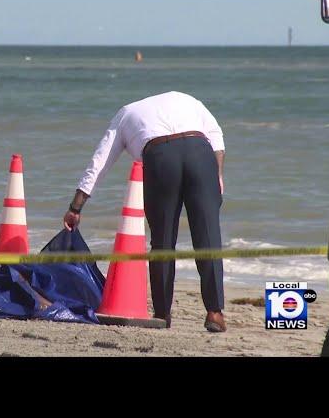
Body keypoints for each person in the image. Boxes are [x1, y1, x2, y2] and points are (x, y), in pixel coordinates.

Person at [63, 90, 227, 332]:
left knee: (162, 241)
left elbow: (100, 160)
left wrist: (76, 206)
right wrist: (218, 175)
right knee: (208, 237)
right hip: (200, 153)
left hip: (160, 157)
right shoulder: (186, 98)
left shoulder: (126, 113)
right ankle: (214, 312)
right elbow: (217, 137)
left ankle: (162, 314)